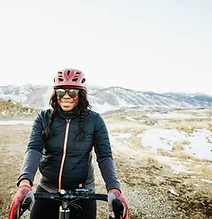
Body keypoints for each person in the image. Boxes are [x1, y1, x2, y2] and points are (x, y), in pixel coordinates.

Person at [8, 68, 129, 219]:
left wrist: (114, 188)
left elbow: (104, 156)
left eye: (72, 92)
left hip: (83, 192)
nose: (66, 97)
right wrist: (25, 183)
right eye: (60, 92)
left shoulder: (95, 120)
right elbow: (34, 149)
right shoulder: (43, 118)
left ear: (80, 94)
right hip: (48, 187)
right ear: (55, 94)